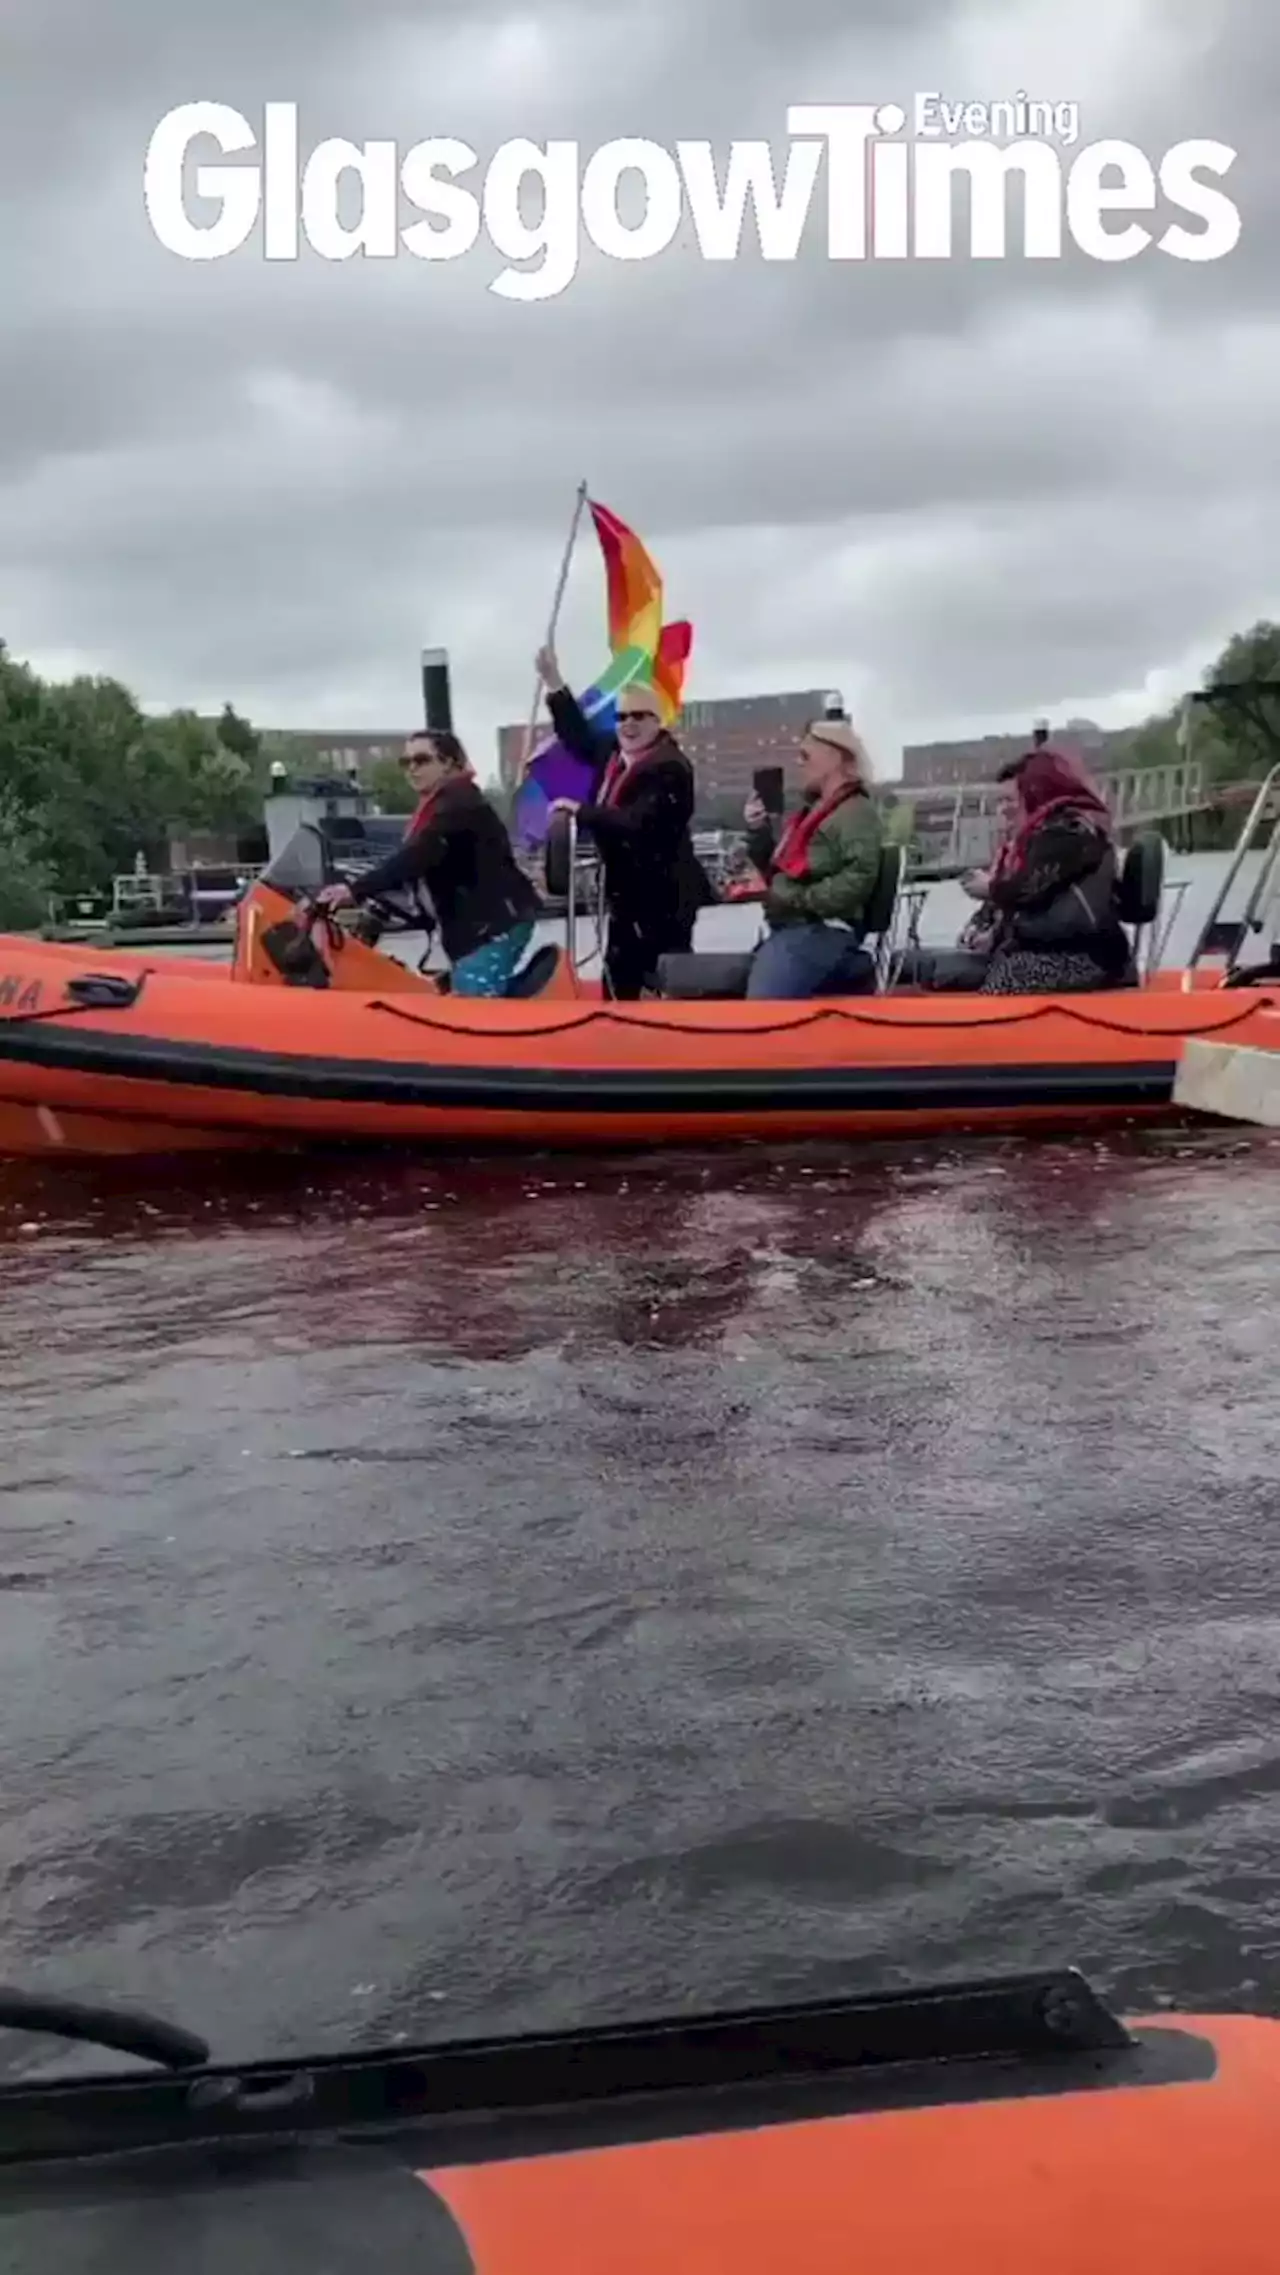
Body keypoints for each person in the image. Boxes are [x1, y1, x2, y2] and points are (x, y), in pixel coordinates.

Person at [534, 644, 710, 999]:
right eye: (622, 716)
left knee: (662, 977)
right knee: (620, 975)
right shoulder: (613, 754)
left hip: (665, 896)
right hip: (626, 893)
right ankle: (619, 1033)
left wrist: (580, 811)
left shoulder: (670, 767)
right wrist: (554, 682)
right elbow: (576, 735)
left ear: (657, 722)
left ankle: (677, 1040)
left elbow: (639, 823)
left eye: (639, 716)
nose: (628, 724)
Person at [312, 729, 540, 995]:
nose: (411, 769)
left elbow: (417, 856)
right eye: (405, 762)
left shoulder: (460, 804)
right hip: (480, 926)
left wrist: (353, 890)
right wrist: (375, 907)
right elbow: (416, 865)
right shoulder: (441, 804)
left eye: (421, 760)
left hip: (493, 926)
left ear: (449, 762)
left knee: (473, 1012)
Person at [740, 717, 883, 997]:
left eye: (805, 756)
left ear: (833, 757)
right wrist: (758, 832)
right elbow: (779, 871)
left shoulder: (855, 812)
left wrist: (798, 899)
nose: (799, 763)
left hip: (822, 929)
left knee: (764, 1003)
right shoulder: (813, 813)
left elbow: (858, 877)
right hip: (794, 927)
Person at [977, 746, 1132, 993]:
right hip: (1060, 949)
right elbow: (1035, 901)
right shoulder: (1055, 832)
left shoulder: (1068, 834)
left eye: (1013, 798)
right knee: (995, 966)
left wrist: (988, 888)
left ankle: (983, 1029)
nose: (1004, 809)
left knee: (1009, 976)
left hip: (1087, 956)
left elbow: (1026, 888)